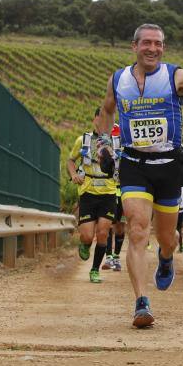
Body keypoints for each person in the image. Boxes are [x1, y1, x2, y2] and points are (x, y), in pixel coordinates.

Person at [98, 23, 183, 328]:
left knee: (166, 237)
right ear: (134, 46)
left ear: (163, 48)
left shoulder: (176, 76)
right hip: (134, 162)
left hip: (169, 165)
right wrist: (104, 144)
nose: (152, 49)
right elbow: (106, 112)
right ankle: (141, 303)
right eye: (146, 43)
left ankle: (166, 257)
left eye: (158, 44)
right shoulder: (118, 79)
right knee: (137, 229)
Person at [67, 108, 118, 283]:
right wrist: (74, 175)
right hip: (88, 192)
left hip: (109, 193)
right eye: (100, 118)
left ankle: (95, 270)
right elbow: (70, 161)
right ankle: (85, 244)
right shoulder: (83, 140)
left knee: (103, 233)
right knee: (88, 235)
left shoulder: (116, 142)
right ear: (94, 119)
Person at [102, 124, 125, 271]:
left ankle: (116, 257)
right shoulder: (104, 151)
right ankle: (108, 257)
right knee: (109, 224)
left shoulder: (127, 150)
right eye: (112, 137)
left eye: (116, 137)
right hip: (109, 191)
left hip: (124, 192)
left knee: (120, 227)